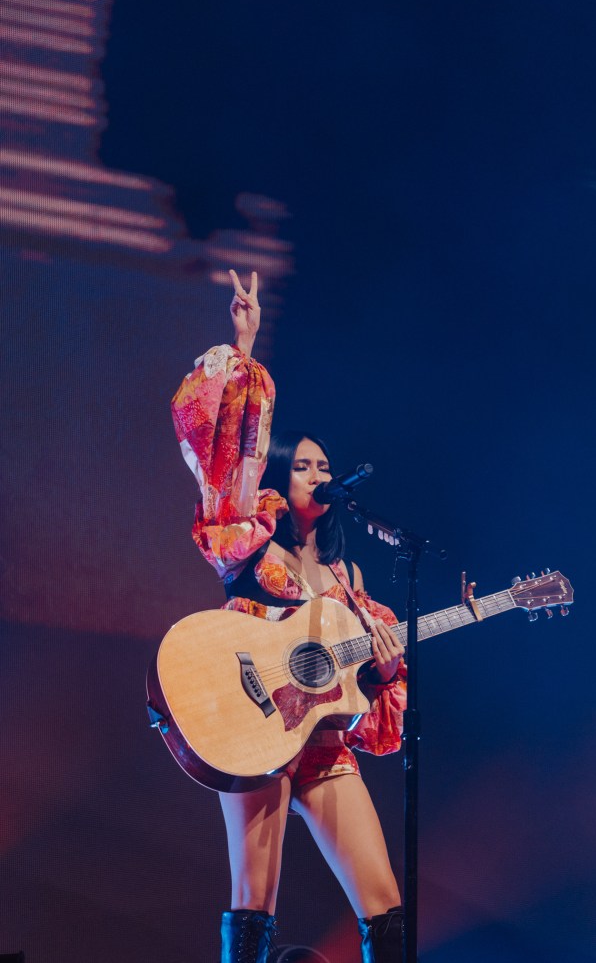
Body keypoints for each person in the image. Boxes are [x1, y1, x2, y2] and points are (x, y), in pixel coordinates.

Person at [171, 270, 407, 963]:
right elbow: (225, 460)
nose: (318, 474)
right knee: (256, 898)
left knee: (387, 906)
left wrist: (384, 670)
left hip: (322, 744)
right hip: (256, 727)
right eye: (303, 465)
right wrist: (244, 346)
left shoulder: (350, 586)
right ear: (279, 473)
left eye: (324, 466)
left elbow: (368, 708)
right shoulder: (250, 542)